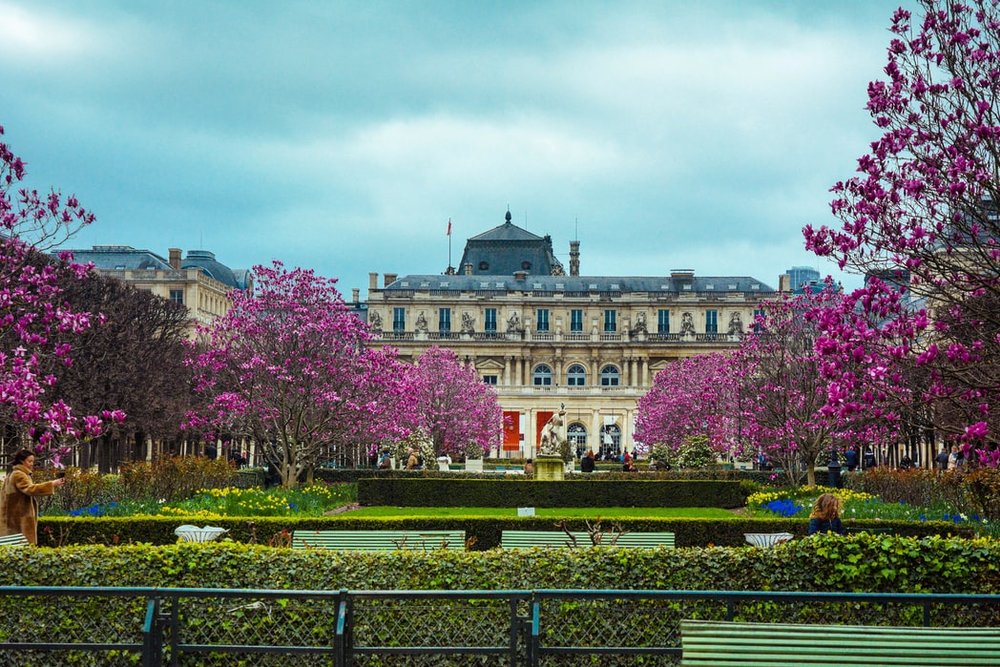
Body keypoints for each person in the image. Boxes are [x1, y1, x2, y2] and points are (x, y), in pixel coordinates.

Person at [0, 449, 65, 545]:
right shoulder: (19, 474)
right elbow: (30, 489)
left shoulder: (14, 473)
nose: (31, 464)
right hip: (19, 518)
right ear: (22, 461)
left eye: (32, 461)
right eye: (29, 461)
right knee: (21, 546)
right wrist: (52, 484)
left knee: (13, 546)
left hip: (13, 517)